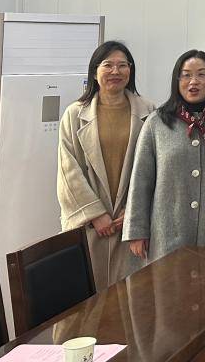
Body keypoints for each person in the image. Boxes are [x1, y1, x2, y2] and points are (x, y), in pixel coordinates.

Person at [123, 50, 205, 263]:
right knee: (168, 283)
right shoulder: (157, 122)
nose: (194, 81)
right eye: (186, 75)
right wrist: (136, 230)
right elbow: (141, 179)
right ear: (177, 80)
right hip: (167, 232)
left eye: (201, 74)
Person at [58, 41, 154, 289]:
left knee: (130, 298)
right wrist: (95, 214)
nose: (115, 72)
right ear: (94, 72)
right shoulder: (74, 114)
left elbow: (155, 169)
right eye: (108, 65)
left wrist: (133, 211)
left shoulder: (150, 112)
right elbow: (68, 170)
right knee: (88, 299)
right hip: (91, 227)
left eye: (122, 65)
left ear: (130, 71)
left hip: (129, 225)